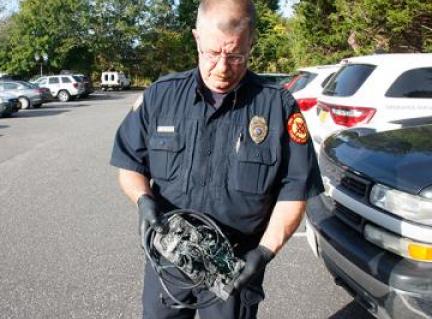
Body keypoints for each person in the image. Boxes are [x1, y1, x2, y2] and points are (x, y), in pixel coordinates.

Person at [110, 0, 324, 318]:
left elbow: (295, 191)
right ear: (197, 38)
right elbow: (130, 165)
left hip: (235, 269)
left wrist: (264, 253)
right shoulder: (160, 96)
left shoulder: (278, 107)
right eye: (211, 53)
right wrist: (143, 200)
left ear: (251, 43)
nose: (222, 68)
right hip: (170, 256)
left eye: (236, 55)